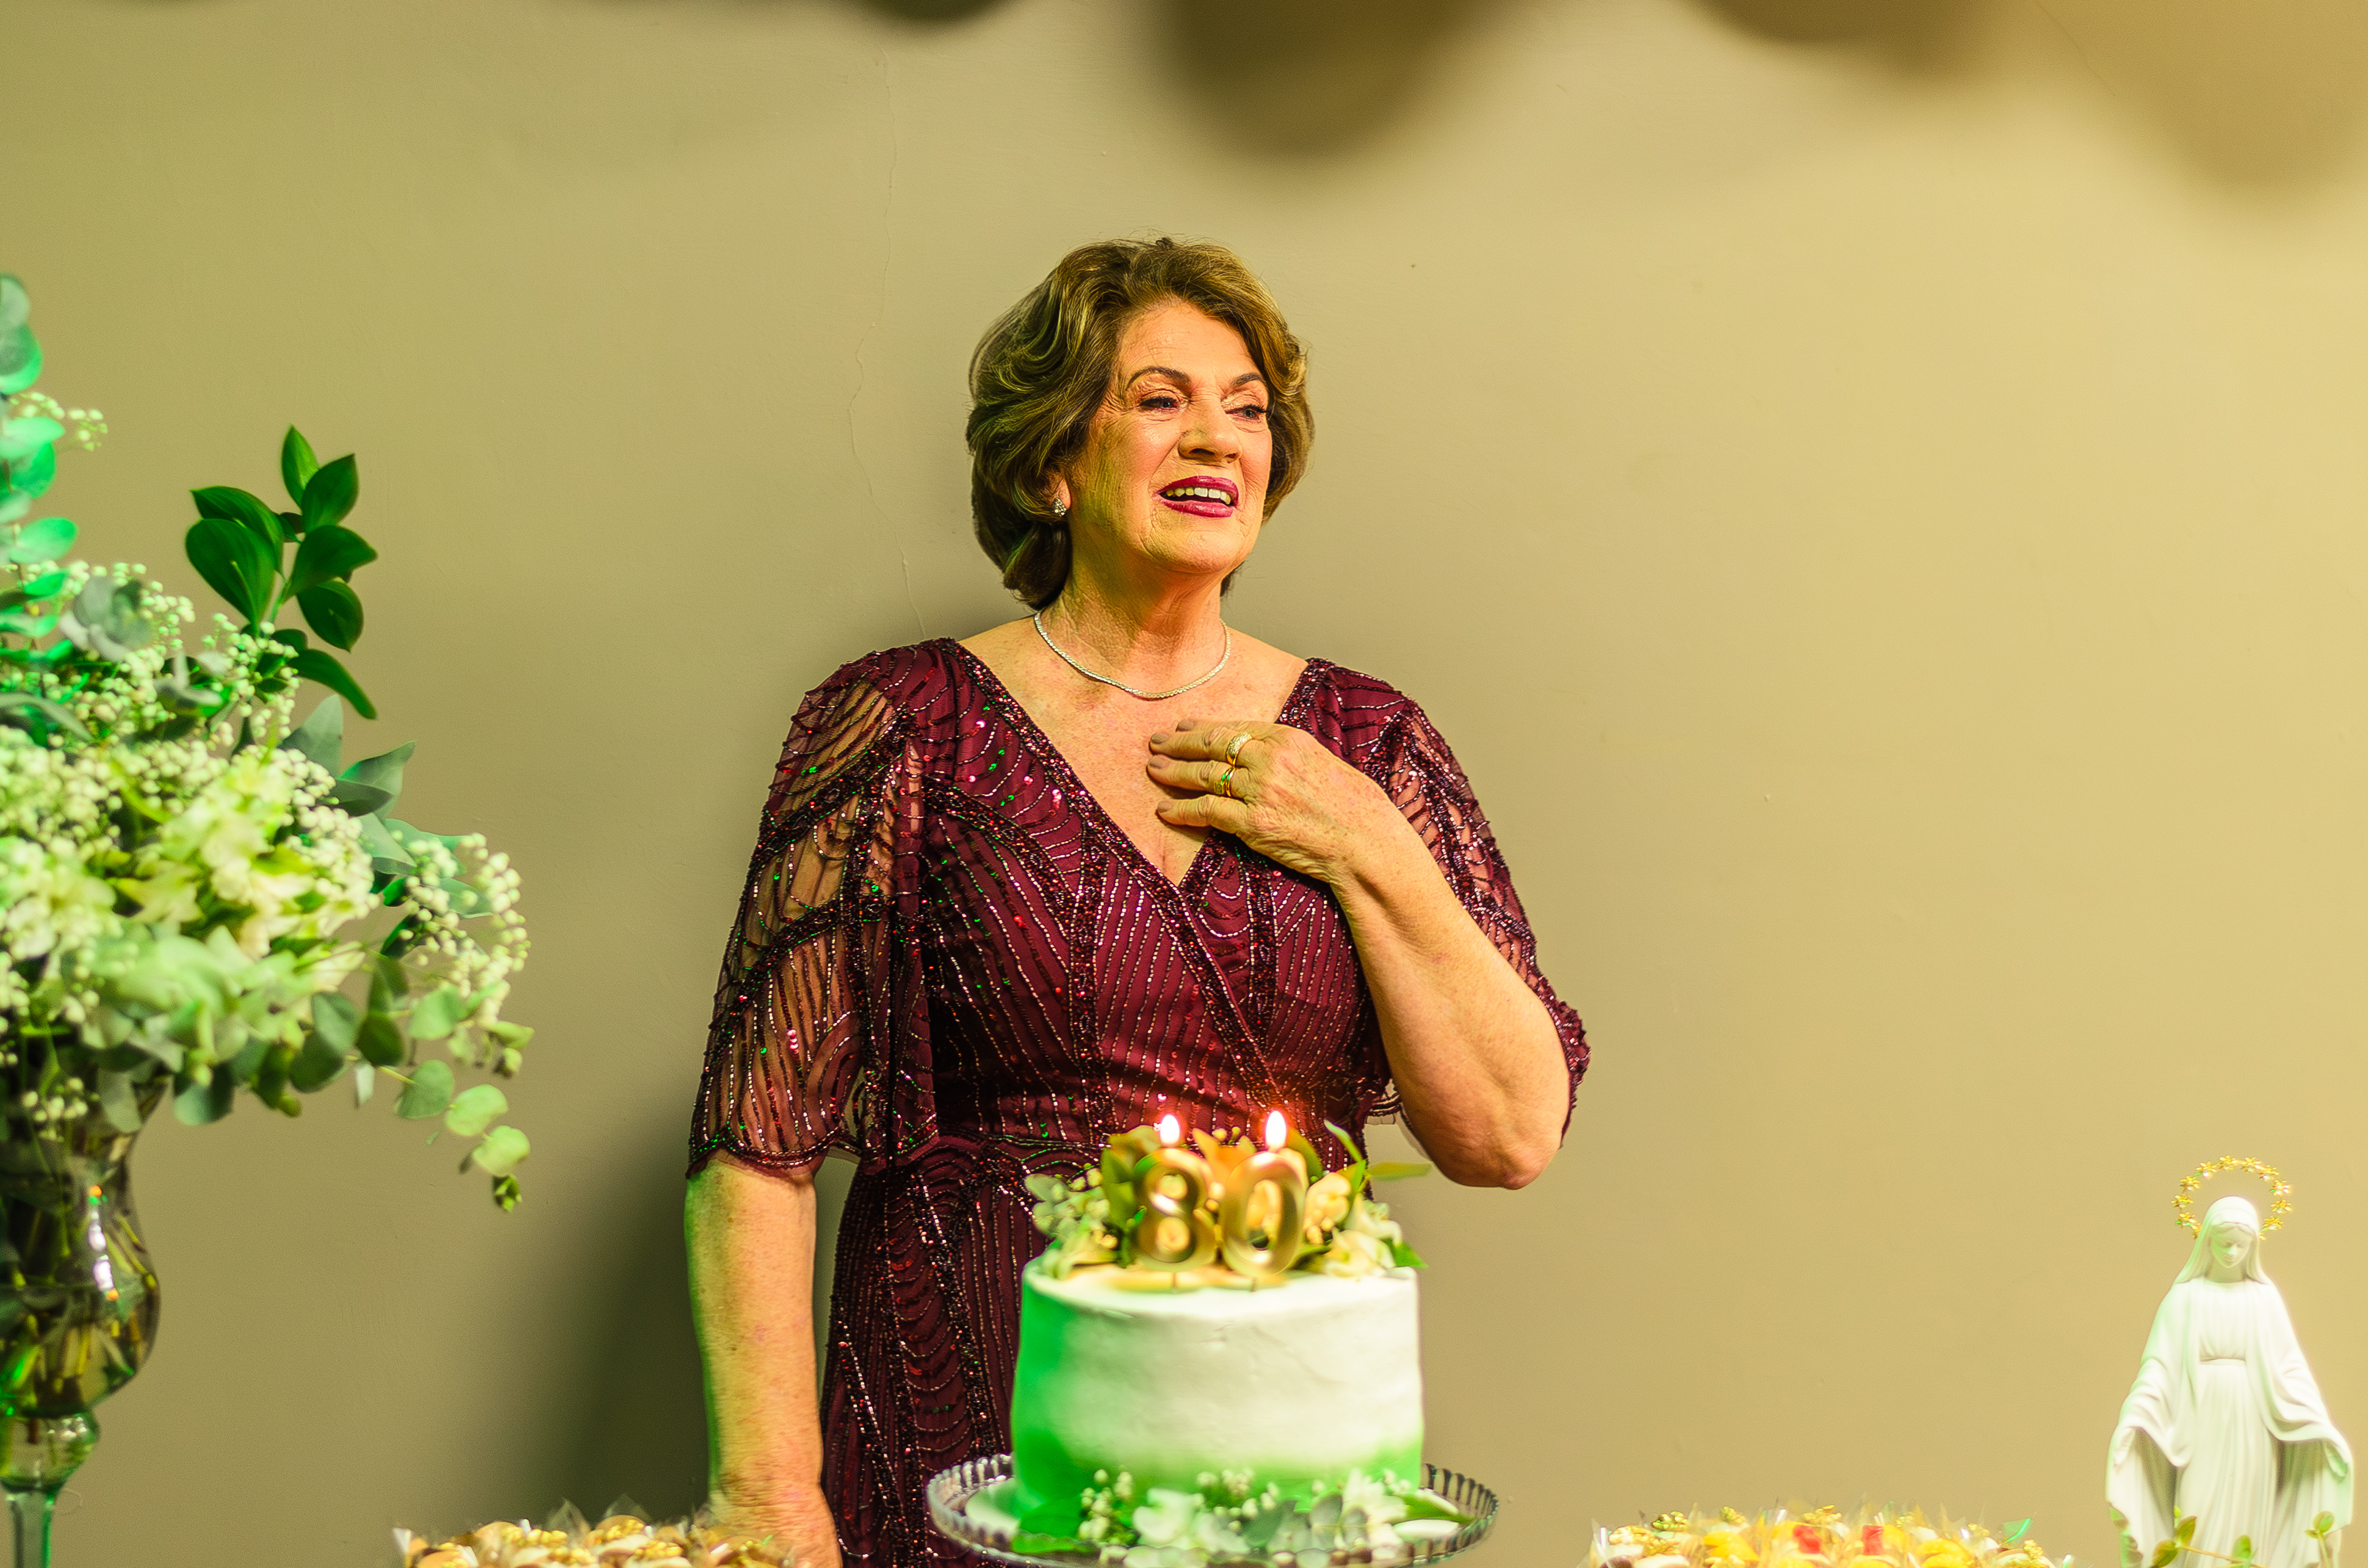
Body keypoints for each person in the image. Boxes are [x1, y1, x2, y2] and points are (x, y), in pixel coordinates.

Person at [683, 236, 1589, 1567]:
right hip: (960, 1416)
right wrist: (768, 1497)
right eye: (1160, 399)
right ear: (1053, 460)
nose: (1215, 435)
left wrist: (1370, 844)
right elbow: (755, 1139)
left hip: (1270, 1465)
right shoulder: (903, 726)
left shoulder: (1368, 744)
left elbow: (1508, 1132)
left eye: (1247, 409)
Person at [2108, 1196, 2351, 1568]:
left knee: (2250, 1510)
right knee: (2197, 1507)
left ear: (2253, 1246)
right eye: (2224, 1244)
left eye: (2241, 1245)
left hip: (2253, 1418)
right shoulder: (2185, 1298)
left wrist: (2315, 1419)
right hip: (2199, 1415)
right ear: (2207, 1240)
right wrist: (2138, 1411)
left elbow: (2288, 1365)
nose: (2231, 1253)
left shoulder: (2264, 1298)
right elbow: (2159, 1365)